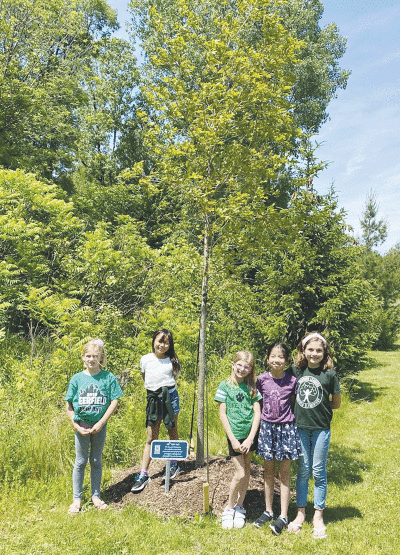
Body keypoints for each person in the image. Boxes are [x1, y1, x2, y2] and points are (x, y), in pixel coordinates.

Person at [288, 331, 341, 539]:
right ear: (303, 350)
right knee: (302, 470)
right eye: (310, 349)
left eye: (319, 350)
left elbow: (336, 403)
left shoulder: (330, 375)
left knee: (318, 470)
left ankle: (318, 515)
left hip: (321, 429)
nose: (314, 354)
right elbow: (291, 396)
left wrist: (318, 408)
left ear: (325, 352)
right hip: (300, 427)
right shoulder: (296, 371)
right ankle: (300, 513)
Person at [65, 339, 123, 514]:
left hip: (99, 425)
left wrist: (101, 422)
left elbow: (114, 401)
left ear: (101, 358)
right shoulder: (77, 379)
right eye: (88, 356)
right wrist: (75, 425)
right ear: (83, 357)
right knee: (80, 461)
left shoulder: (108, 378)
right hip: (81, 425)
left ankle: (96, 496)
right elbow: (68, 406)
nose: (91, 359)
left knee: (96, 460)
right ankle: (76, 500)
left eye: (95, 356)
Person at [254, 343, 302, 535]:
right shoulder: (261, 379)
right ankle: (268, 510)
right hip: (267, 428)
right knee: (268, 471)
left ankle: (283, 515)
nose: (276, 360)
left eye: (280, 357)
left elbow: (293, 403)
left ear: (287, 361)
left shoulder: (292, 381)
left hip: (287, 429)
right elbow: (258, 402)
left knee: (284, 472)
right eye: (273, 356)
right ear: (267, 359)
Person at [215, 351, 262, 529]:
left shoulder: (252, 387)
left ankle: (240, 507)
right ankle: (229, 508)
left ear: (251, 369)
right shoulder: (225, 386)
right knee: (240, 472)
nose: (242, 369)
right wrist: (233, 439)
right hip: (234, 436)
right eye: (240, 365)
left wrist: (250, 438)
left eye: (247, 367)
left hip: (248, 436)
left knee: (247, 470)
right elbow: (222, 414)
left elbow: (257, 413)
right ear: (233, 364)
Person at [131, 329, 181, 492]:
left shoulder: (172, 360)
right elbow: (145, 377)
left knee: (172, 430)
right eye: (160, 341)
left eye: (166, 342)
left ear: (170, 345)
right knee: (152, 436)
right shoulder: (145, 359)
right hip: (153, 398)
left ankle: (174, 464)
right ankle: (144, 473)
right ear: (153, 341)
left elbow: (174, 378)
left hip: (170, 397)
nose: (162, 345)